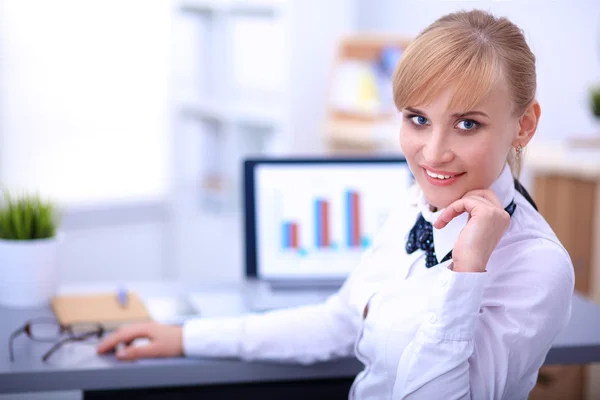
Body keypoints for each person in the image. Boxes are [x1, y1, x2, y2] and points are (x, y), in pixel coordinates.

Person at [97, 9, 574, 399]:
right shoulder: (416, 204)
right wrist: (184, 337)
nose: (432, 152)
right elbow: (340, 321)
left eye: (467, 123)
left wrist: (466, 274)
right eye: (418, 119)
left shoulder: (538, 266)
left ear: (524, 125)